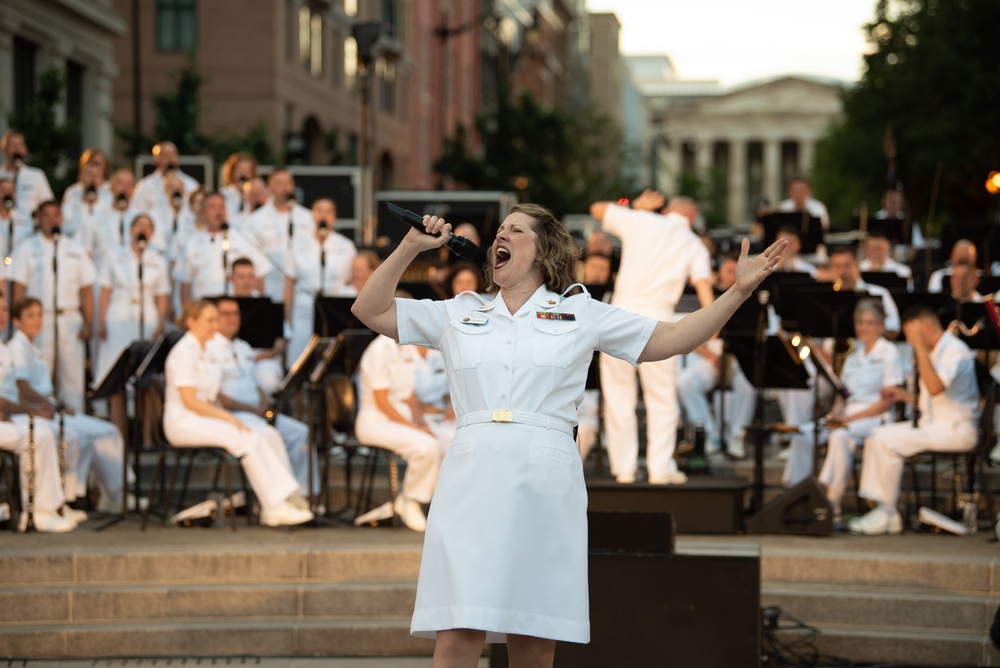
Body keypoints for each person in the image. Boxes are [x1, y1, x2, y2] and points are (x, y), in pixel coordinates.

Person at [350, 202, 783, 665]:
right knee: (459, 626)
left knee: (535, 631)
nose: (501, 235)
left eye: (515, 230)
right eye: (500, 229)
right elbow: (369, 309)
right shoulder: (459, 312)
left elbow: (673, 338)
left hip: (546, 475)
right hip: (471, 473)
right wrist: (410, 248)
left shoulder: (581, 312)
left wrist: (737, 291)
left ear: (542, 251)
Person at [589, 191, 715, 484]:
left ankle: (625, 468)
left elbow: (596, 207)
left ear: (667, 209)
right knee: (662, 398)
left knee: (619, 395)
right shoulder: (693, 243)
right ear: (692, 219)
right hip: (659, 318)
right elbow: (704, 287)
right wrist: (712, 325)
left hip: (619, 315)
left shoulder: (641, 220)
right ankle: (660, 467)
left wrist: (635, 207)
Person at [163, 299, 314, 527]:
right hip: (184, 420)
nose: (215, 325)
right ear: (191, 322)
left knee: (268, 434)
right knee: (248, 438)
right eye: (210, 320)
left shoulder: (206, 350)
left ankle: (285, 498)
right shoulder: (184, 351)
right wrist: (227, 417)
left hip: (205, 416)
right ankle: (273, 507)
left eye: (216, 319)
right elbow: (189, 401)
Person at [849, 306, 979, 535]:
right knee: (878, 434)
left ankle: (888, 512)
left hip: (956, 428)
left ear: (925, 328)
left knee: (885, 440)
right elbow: (930, 400)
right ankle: (883, 509)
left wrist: (919, 347)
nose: (908, 341)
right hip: (934, 424)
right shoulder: (933, 351)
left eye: (911, 335)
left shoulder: (954, 350)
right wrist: (903, 396)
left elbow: (936, 387)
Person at [781, 300, 904, 524]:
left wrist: (847, 419)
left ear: (880, 325)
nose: (864, 327)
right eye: (860, 322)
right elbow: (842, 398)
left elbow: (887, 401)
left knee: (840, 436)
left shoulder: (890, 353)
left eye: (870, 323)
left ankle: (831, 502)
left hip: (875, 417)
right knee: (804, 432)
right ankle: (795, 492)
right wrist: (833, 417)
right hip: (848, 414)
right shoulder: (853, 357)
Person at [9, 297, 129, 514]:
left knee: (107, 430)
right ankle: (64, 501)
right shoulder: (16, 348)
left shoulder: (33, 347)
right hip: (40, 410)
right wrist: (51, 406)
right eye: (30, 316)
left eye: (39, 315)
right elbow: (22, 387)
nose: (37, 321)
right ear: (16, 321)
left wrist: (58, 403)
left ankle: (117, 493)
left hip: (50, 407)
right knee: (74, 437)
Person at [208, 296, 315, 500]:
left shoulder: (243, 347)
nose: (233, 319)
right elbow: (216, 395)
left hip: (256, 412)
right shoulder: (209, 348)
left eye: (236, 313)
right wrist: (254, 410)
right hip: (233, 414)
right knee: (268, 434)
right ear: (215, 318)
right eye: (226, 314)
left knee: (300, 432)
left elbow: (255, 383)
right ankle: (281, 500)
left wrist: (265, 403)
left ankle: (304, 495)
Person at [354, 332, 455, 531]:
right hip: (376, 421)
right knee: (427, 447)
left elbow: (410, 396)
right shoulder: (379, 349)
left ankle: (417, 501)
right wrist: (416, 428)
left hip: (402, 417)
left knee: (449, 441)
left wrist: (421, 422)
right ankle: (412, 500)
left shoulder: (407, 346)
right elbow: (382, 403)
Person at [0, 289, 77, 532]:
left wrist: (27, 409)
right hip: (6, 417)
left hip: (9, 416)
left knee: (50, 431)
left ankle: (53, 506)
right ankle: (37, 512)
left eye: (3, 308)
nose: (1, 314)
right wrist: (30, 409)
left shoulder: (2, 346)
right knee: (40, 435)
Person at [9, 201, 96, 413]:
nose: (52, 219)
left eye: (56, 214)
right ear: (38, 219)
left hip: (69, 317)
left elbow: (86, 289)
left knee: (73, 377)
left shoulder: (75, 248)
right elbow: (19, 287)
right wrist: (19, 321)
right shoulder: (27, 248)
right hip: (38, 320)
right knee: (40, 376)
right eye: (46, 215)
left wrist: (88, 321)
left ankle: (76, 424)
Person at [677, 252, 754, 458]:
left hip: (741, 357)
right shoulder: (708, 296)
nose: (732, 276)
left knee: (747, 385)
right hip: (712, 356)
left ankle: (736, 436)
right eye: (729, 271)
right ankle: (710, 435)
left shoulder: (752, 299)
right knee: (685, 382)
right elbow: (689, 334)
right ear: (720, 273)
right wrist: (710, 357)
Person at [94, 214, 171, 384]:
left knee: (142, 360)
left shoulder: (157, 260)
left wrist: (160, 324)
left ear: (152, 233)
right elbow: (106, 290)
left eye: (148, 227)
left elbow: (162, 295)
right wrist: (101, 320)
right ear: (131, 229)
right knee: (114, 357)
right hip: (119, 312)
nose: (143, 229)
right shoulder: (114, 254)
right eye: (139, 225)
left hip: (147, 313)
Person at [282, 198, 357, 363]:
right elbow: (289, 284)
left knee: (329, 359)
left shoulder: (346, 246)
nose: (323, 215)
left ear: (335, 218)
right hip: (303, 310)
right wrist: (286, 321)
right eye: (319, 211)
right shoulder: (297, 245)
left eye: (328, 211)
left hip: (333, 308)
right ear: (312, 216)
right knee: (298, 359)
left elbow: (352, 280)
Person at [178, 192, 271, 302]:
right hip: (205, 307)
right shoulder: (193, 243)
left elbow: (260, 275)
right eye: (213, 207)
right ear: (204, 213)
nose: (219, 211)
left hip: (237, 307)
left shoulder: (244, 238)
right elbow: (186, 282)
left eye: (222, 206)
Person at [247, 167, 314, 301]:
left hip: (301, 288)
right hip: (269, 286)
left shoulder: (308, 217)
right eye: (278, 183)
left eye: (288, 183)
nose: (284, 188)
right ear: (270, 187)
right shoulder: (255, 219)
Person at [229, 258, 286, 394]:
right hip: (231, 358)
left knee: (267, 380)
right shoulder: (223, 306)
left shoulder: (270, 306)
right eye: (241, 277)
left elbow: (280, 343)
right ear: (231, 278)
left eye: (250, 276)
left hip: (263, 359)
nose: (246, 281)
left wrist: (262, 357)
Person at [130, 141, 199, 223]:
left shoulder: (191, 185)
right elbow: (136, 212)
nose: (170, 159)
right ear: (156, 159)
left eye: (173, 155)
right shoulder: (144, 186)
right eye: (164, 155)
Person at [0, 131, 53, 219]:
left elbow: (47, 204)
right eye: (13, 145)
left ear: (25, 149)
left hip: (29, 228)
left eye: (20, 145)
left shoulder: (36, 175)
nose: (17, 149)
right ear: (4, 148)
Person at [60, 149, 112, 238]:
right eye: (89, 173)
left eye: (98, 164)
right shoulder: (72, 191)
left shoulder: (111, 191)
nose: (93, 177)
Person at [220, 152, 258, 218]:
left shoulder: (259, 195)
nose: (243, 174)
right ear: (232, 172)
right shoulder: (223, 194)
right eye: (239, 170)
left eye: (247, 170)